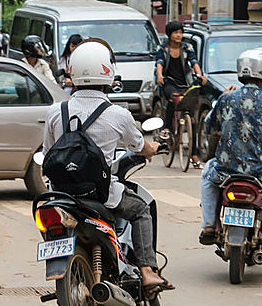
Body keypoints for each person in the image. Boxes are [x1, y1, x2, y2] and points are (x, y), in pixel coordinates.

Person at [42, 41, 171, 291]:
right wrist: (153, 148)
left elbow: (47, 154)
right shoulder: (117, 114)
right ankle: (147, 271)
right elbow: (139, 146)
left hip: (61, 195)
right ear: (108, 73)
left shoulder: (56, 112)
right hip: (101, 194)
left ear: (72, 71)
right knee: (141, 209)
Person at [199, 48, 262, 252]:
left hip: (226, 171)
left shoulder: (226, 99)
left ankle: (209, 225)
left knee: (207, 175)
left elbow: (210, 128)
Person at [155, 21, 206, 134]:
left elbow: (194, 62)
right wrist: (159, 75)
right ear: (169, 34)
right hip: (168, 82)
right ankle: (167, 128)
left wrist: (199, 75)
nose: (179, 35)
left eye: (180, 33)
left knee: (192, 103)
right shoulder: (162, 48)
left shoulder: (187, 47)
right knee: (173, 98)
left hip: (185, 82)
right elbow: (159, 62)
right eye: (176, 33)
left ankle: (193, 147)